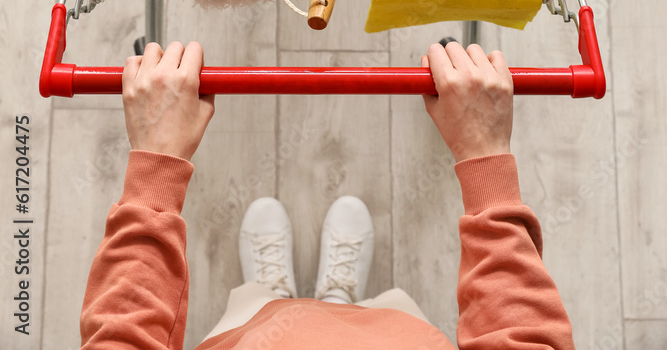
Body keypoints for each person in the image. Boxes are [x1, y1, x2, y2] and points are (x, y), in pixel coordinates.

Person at [78, 39, 575, 349]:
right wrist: (484, 154)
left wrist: (157, 164)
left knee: (262, 314)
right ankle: (341, 299)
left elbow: (123, 337)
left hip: (251, 338)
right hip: (397, 336)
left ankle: (273, 299)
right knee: (373, 320)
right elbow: (522, 338)